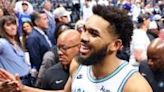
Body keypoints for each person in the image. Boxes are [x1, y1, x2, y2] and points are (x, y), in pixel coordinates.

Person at [0, 5, 152, 92]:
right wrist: (22, 88)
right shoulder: (78, 65)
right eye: (84, 29)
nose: (83, 37)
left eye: (93, 33)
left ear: (115, 45)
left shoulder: (134, 86)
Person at [0, 16, 30, 86]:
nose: (13, 27)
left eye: (14, 24)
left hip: (27, 79)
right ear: (2, 28)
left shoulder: (17, 42)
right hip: (14, 82)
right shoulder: (2, 42)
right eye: (8, 25)